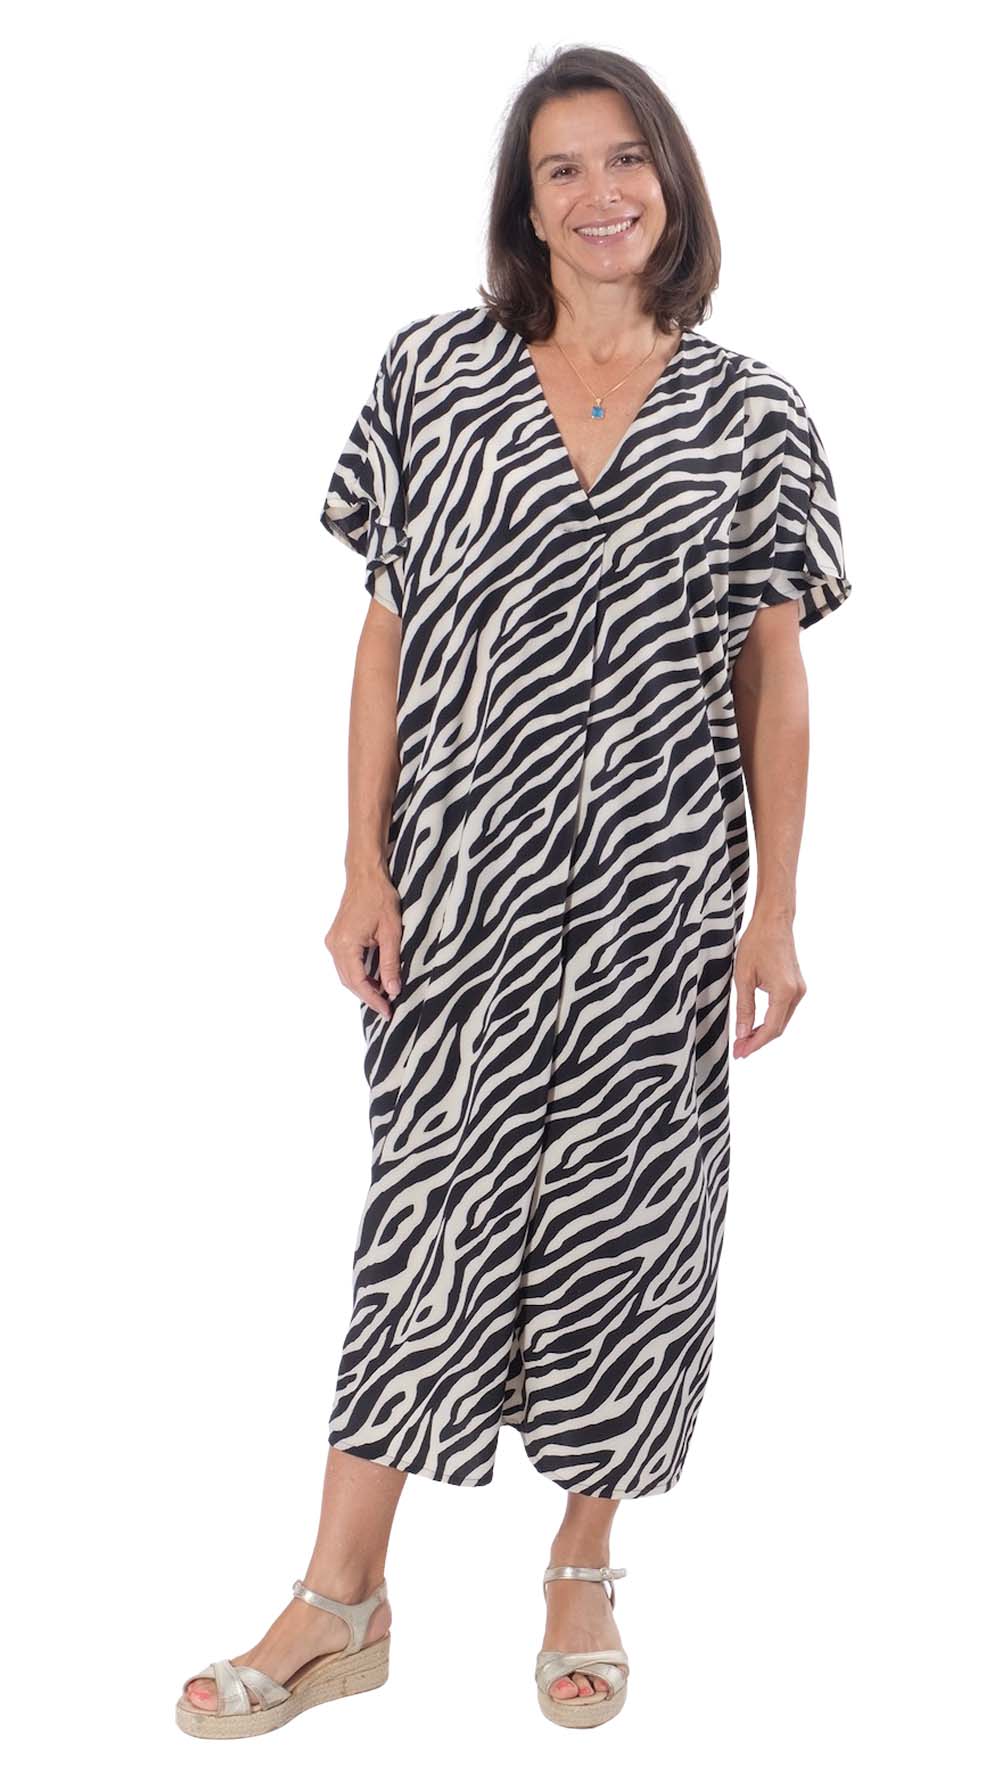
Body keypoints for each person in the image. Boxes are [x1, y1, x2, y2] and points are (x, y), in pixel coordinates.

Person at [176, 43, 852, 1738]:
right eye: (563, 168)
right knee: (426, 1211)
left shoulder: (754, 412)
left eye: (628, 160)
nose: (601, 193)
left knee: (636, 1218)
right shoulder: (435, 373)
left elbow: (775, 680)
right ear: (525, 204)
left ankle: (583, 1562)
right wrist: (362, 860)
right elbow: (387, 635)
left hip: (657, 902)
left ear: (672, 182)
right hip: (459, 886)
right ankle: (342, 1596)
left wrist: (776, 909)